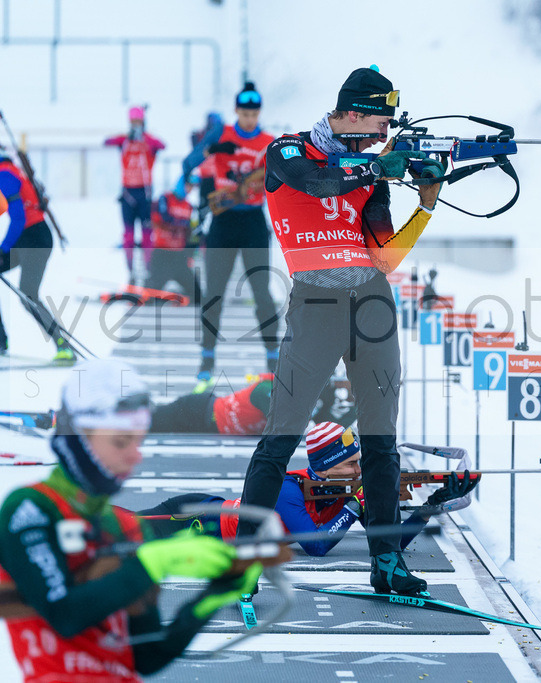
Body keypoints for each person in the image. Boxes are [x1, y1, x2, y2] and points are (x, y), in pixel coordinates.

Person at [238, 65, 444, 596]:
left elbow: (386, 258)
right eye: (380, 123)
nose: (384, 134)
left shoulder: (373, 176)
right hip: (315, 306)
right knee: (280, 436)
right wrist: (378, 167)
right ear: (351, 113)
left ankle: (387, 563)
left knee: (381, 440)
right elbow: (318, 182)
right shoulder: (286, 151)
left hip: (372, 304)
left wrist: (424, 205)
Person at [0, 359, 259, 683]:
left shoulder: (125, 527)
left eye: (138, 441)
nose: (136, 455)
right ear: (79, 437)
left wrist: (212, 597)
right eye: (121, 442)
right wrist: (152, 563)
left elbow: (146, 656)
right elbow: (63, 615)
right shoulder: (30, 509)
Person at [134, 422, 472, 558]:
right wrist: (354, 506)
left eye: (360, 463)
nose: (359, 471)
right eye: (351, 464)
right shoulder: (288, 489)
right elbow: (316, 546)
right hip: (200, 521)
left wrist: (430, 507)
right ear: (325, 466)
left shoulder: (345, 490)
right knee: (121, 529)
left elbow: (391, 542)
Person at [180, 83, 280, 386]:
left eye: (254, 114)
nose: (249, 119)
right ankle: (207, 356)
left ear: (259, 113)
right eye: (244, 114)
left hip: (253, 222)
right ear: (236, 111)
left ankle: (273, 355)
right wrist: (211, 150)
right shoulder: (220, 133)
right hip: (223, 222)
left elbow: (280, 181)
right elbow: (188, 163)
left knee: (261, 291)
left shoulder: (268, 142)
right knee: (214, 293)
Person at [0, 149, 75, 361]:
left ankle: (63, 345)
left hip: (34, 238)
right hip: (29, 236)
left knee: (28, 294)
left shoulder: (5, 175)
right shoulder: (12, 170)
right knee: (28, 294)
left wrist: (3, 249)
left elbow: (19, 219)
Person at [148, 372, 356, 435]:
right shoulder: (267, 388)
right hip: (197, 411)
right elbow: (286, 421)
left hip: (208, 427)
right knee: (147, 423)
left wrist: (357, 408)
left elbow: (326, 430)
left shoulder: (311, 400)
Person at [103, 106, 166, 284]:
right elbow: (107, 142)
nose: (135, 125)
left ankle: (148, 271)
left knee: (147, 235)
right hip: (128, 195)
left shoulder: (149, 142)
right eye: (133, 122)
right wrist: (127, 137)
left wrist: (144, 137)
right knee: (129, 236)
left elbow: (161, 145)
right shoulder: (124, 141)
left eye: (138, 122)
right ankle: (130, 272)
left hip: (145, 194)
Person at [142, 186, 201, 305]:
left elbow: (191, 233)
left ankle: (178, 296)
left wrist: (190, 252)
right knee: (149, 295)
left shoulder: (188, 205)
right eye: (188, 185)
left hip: (179, 256)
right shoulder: (164, 199)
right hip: (162, 253)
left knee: (197, 294)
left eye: (192, 187)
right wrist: (173, 227)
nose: (190, 189)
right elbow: (155, 222)